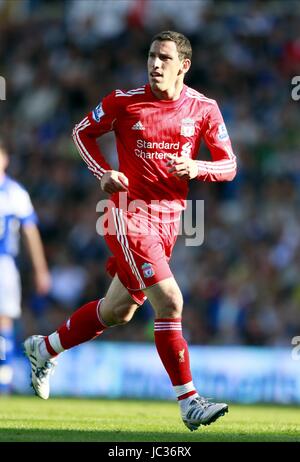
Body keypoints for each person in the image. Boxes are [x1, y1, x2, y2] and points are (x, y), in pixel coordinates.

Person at [24, 31, 236, 431]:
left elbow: (229, 165)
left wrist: (198, 167)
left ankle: (44, 347)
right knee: (170, 302)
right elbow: (80, 132)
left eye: (164, 58)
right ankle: (189, 401)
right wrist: (102, 173)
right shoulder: (125, 101)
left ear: (183, 66)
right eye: (152, 56)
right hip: (126, 215)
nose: (155, 64)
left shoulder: (204, 109)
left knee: (117, 311)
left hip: (169, 223)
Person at [0, 140, 51, 394]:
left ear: (5, 160)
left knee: (3, 320)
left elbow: (30, 233)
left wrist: (40, 269)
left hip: (4, 263)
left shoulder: (15, 193)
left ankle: (3, 378)